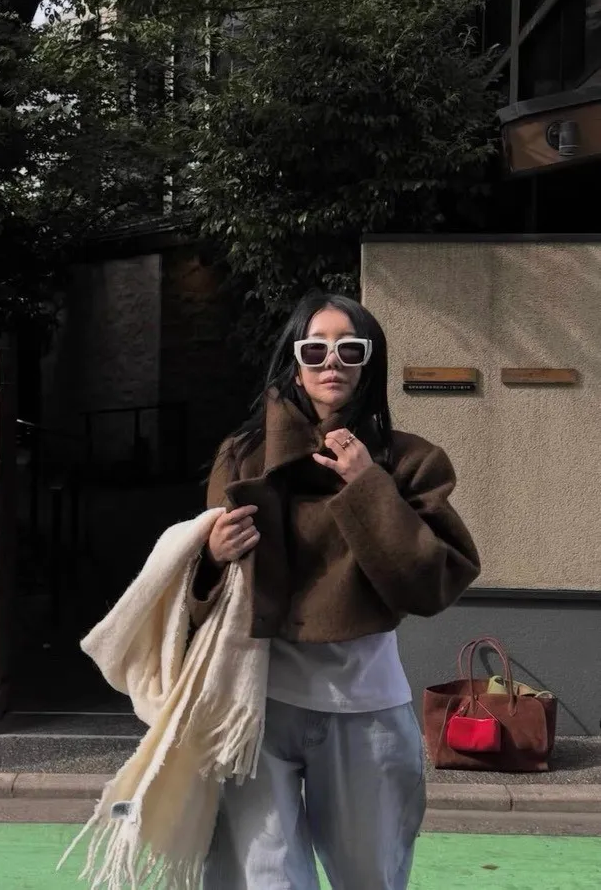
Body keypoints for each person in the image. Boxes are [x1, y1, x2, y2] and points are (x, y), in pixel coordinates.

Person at [190, 291, 480, 890]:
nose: (332, 362)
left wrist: (367, 484)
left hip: (365, 705)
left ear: (369, 363)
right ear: (293, 361)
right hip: (257, 704)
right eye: (315, 348)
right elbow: (200, 584)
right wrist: (212, 555)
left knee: (370, 876)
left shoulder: (409, 461)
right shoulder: (243, 455)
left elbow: (431, 584)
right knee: (263, 880)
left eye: (350, 349)